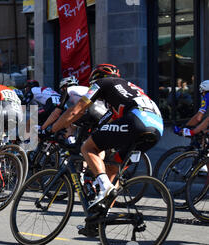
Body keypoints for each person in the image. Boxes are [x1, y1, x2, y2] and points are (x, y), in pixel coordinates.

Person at [51, 64, 163, 211]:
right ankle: (102, 216)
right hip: (157, 127)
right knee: (112, 168)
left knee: (88, 147)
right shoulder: (130, 89)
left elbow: (75, 111)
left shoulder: (102, 83)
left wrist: (52, 130)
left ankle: (104, 188)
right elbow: (105, 122)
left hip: (137, 120)